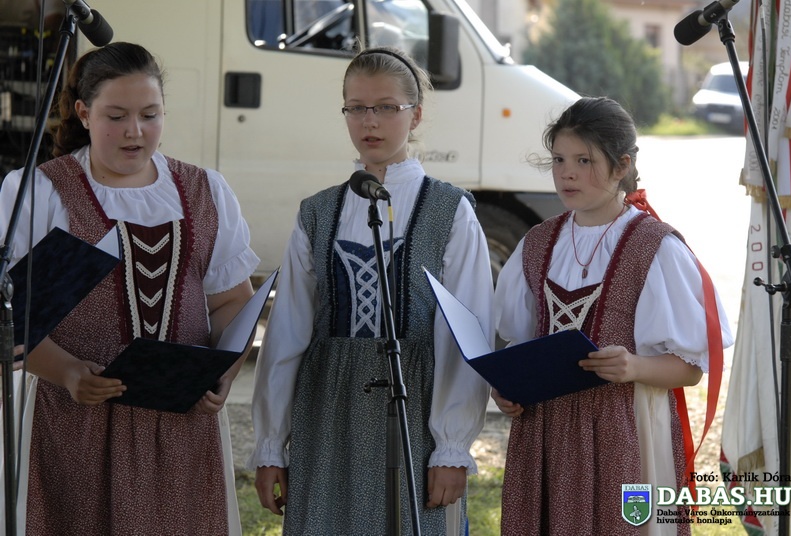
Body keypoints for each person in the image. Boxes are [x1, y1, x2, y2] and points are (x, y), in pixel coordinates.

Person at [0, 42, 260, 535]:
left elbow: (231, 300)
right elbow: (11, 320)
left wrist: (223, 372)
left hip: (180, 422)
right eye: (116, 116)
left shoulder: (205, 190)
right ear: (84, 113)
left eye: (150, 115)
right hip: (71, 420)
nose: (135, 131)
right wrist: (69, 372)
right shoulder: (38, 191)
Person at [247, 46, 494, 535]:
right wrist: (271, 444)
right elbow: (287, 333)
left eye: (386, 107)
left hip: (414, 407)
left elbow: (467, 334)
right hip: (327, 407)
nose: (370, 121)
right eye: (357, 107)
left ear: (415, 114)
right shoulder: (318, 212)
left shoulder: (449, 210)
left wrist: (451, 447)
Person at [491, 96, 734, 535]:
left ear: (622, 166)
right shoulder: (538, 243)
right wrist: (508, 388)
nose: (567, 173)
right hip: (544, 434)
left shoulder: (655, 248)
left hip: (625, 430)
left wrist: (634, 366)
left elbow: (690, 369)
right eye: (559, 159)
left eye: (584, 160)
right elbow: (518, 343)